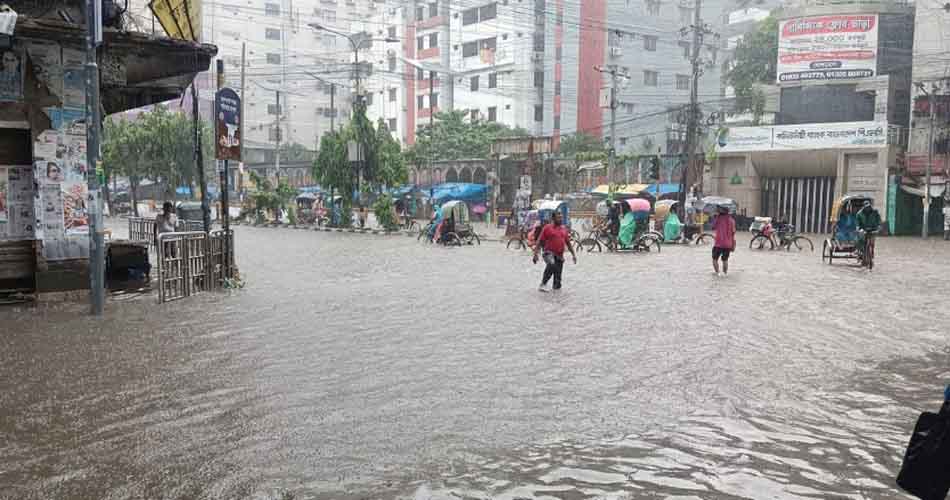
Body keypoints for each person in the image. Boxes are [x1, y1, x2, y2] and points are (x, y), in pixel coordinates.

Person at [533, 211, 576, 291]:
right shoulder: (547, 228)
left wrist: (573, 255)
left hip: (559, 256)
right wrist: (535, 254)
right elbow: (539, 241)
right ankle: (543, 284)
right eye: (558, 217)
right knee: (552, 264)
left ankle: (555, 299)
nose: (560, 219)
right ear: (553, 218)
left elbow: (568, 243)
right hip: (548, 253)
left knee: (557, 284)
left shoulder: (564, 229)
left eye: (561, 217)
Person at [711, 205, 736, 276]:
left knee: (714, 259)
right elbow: (733, 232)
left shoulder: (718, 218)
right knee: (725, 260)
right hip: (728, 244)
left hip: (718, 243)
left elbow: (713, 227)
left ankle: (717, 273)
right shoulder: (732, 220)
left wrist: (714, 217)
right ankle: (725, 274)